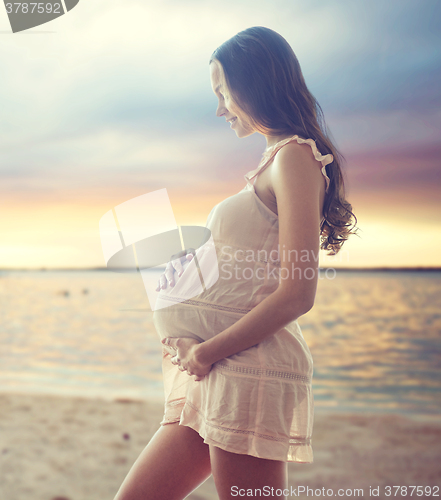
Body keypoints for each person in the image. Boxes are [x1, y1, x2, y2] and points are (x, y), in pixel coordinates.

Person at [114, 26, 358, 500]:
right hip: (223, 369)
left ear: (254, 84)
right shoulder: (274, 162)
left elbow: (297, 293)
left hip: (247, 369)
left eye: (224, 92)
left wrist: (205, 351)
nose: (220, 108)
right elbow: (253, 268)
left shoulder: (295, 159)